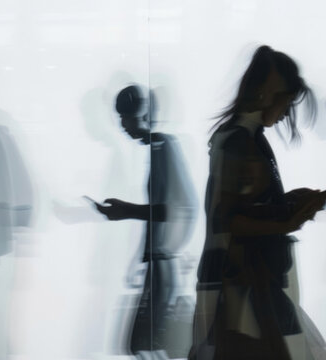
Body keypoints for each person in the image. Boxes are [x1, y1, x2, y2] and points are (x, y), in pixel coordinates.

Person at [189, 45, 326, 360]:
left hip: (249, 283)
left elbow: (240, 210)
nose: (286, 113)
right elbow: (228, 220)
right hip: (241, 286)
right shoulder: (239, 141)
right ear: (269, 94)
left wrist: (289, 204)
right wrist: (287, 221)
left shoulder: (245, 139)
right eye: (286, 102)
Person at [94, 84, 197, 360]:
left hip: (163, 262)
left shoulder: (162, 146)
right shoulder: (160, 148)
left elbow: (170, 210)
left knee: (143, 343)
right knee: (145, 343)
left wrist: (125, 211)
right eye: (122, 118)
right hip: (160, 261)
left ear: (144, 115)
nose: (123, 125)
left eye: (127, 117)